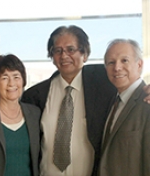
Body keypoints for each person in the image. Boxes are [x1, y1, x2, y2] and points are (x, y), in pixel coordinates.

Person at [21, 25, 150, 176]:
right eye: (57, 50)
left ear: (85, 54)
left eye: (71, 49)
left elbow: (130, 82)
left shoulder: (104, 83)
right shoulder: (34, 95)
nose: (64, 56)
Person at [98, 39, 150, 176]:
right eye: (111, 62)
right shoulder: (111, 102)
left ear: (139, 64)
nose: (117, 68)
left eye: (124, 60)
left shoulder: (147, 103)